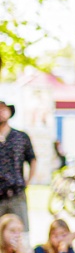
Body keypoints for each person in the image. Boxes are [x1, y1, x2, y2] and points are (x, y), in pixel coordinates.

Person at [0, 99, 37, 235]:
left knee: (21, 231)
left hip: (16, 192)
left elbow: (32, 159)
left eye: (3, 109)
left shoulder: (20, 137)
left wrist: (28, 180)